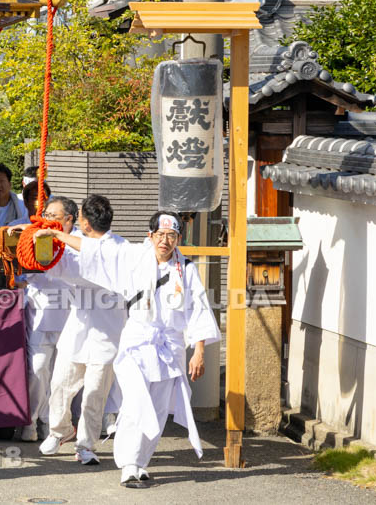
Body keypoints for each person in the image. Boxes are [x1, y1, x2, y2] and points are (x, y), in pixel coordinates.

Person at [35, 211, 220, 487]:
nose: (165, 241)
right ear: (150, 236)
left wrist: (200, 351)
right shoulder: (133, 257)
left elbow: (199, 310)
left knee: (157, 411)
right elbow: (96, 251)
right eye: (160, 235)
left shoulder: (187, 269)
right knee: (135, 404)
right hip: (136, 343)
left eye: (171, 236)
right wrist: (59, 235)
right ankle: (129, 465)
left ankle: (141, 463)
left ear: (178, 238)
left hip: (169, 347)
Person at [12, 194, 126, 465]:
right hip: (77, 327)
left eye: (56, 217)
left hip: (108, 330)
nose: (51, 222)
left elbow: (90, 256)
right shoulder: (71, 244)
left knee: (94, 393)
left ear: (82, 223)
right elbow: (50, 263)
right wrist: (32, 234)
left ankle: (85, 446)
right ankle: (60, 430)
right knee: (60, 383)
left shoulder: (118, 247)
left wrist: (56, 236)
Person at [14, 195, 76, 442]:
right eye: (46, 215)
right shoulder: (33, 236)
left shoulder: (79, 241)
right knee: (38, 370)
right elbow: (20, 270)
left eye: (53, 216)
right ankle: (30, 419)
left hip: (71, 318)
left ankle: (53, 423)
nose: (47, 220)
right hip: (41, 315)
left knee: (64, 376)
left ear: (68, 219)